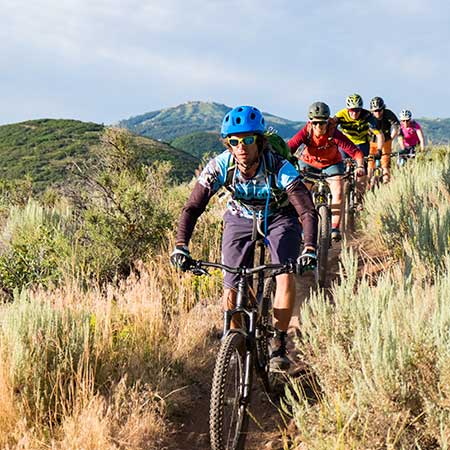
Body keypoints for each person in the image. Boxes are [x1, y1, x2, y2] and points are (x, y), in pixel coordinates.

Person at [170, 105, 318, 372]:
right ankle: (235, 341)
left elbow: (306, 210)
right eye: (235, 141)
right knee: (232, 281)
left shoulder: (279, 167)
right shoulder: (220, 166)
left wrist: (309, 248)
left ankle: (279, 343)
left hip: (279, 215)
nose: (241, 146)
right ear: (228, 144)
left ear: (259, 141)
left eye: (248, 140)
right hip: (240, 216)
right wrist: (181, 245)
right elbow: (192, 207)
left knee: (284, 273)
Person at [288, 102, 365, 241]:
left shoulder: (333, 132)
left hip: (332, 163)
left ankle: (335, 227)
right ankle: (301, 227)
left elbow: (356, 152)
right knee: (300, 194)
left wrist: (360, 166)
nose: (319, 127)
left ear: (327, 122)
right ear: (310, 122)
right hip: (308, 163)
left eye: (322, 123)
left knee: (338, 189)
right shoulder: (306, 131)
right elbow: (289, 148)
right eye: (315, 123)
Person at [334, 94, 384, 195]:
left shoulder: (367, 116)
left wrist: (379, 150)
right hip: (345, 144)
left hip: (362, 144)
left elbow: (379, 135)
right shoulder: (340, 115)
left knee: (361, 172)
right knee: (340, 170)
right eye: (351, 110)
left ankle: (360, 199)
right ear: (347, 109)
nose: (354, 113)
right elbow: (330, 130)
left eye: (357, 110)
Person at [368, 97, 401, 183]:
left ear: (383, 108)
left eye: (380, 110)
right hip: (372, 141)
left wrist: (391, 138)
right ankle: (368, 185)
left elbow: (396, 127)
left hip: (386, 141)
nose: (377, 113)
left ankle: (386, 183)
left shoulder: (388, 114)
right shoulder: (369, 116)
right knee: (370, 165)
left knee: (385, 164)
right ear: (372, 111)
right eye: (375, 111)